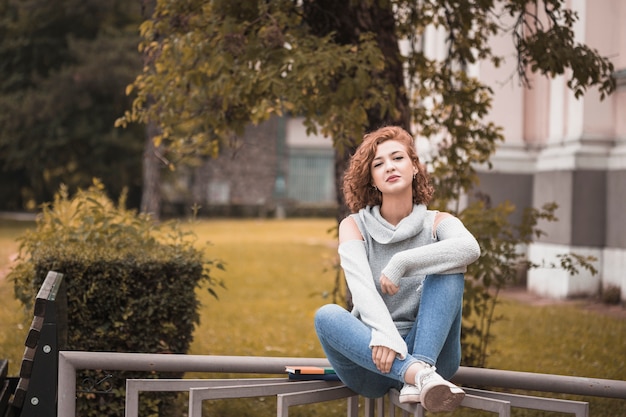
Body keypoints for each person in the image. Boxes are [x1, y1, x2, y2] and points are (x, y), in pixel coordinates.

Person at [314, 125, 481, 413]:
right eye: (378, 164)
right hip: (373, 357)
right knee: (326, 315)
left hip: (434, 349)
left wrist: (402, 262)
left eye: (398, 158)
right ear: (373, 180)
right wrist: (385, 336)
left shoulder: (438, 222)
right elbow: (362, 291)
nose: (389, 167)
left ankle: (421, 368)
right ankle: (420, 376)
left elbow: (470, 248)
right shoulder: (354, 226)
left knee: (450, 264)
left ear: (415, 167)